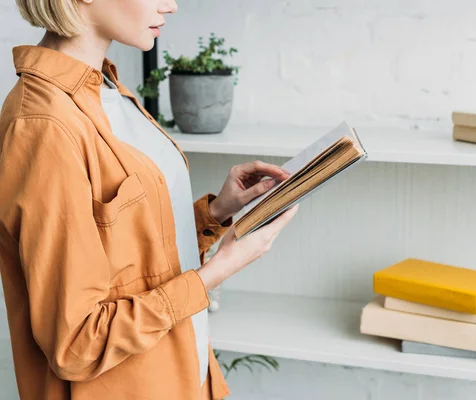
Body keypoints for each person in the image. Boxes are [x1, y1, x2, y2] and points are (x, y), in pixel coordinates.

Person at [0, 0, 299, 399]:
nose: (171, 5)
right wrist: (216, 272)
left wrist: (215, 212)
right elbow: (75, 344)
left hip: (184, 377)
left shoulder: (106, 90)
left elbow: (126, 257)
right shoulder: (43, 126)